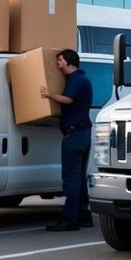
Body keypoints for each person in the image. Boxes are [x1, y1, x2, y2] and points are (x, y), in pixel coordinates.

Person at [40, 48, 93, 231]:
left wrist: (49, 95)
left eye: (60, 60)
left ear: (69, 62)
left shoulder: (75, 80)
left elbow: (68, 100)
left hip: (74, 134)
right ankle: (84, 215)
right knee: (79, 177)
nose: (58, 64)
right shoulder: (84, 79)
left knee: (70, 179)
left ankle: (70, 219)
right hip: (84, 133)